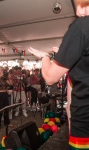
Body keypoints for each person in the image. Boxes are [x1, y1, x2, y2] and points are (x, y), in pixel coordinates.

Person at [28, 0, 89, 149]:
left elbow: (49, 78)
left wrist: (45, 57)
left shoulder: (81, 26)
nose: (78, 12)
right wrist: (64, 54)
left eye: (79, 4)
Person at [0, 66, 13, 132]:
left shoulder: (4, 78)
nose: (1, 71)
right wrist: (0, 76)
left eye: (1, 70)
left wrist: (9, 78)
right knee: (0, 110)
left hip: (5, 94)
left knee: (6, 109)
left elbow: (11, 84)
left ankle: (7, 122)